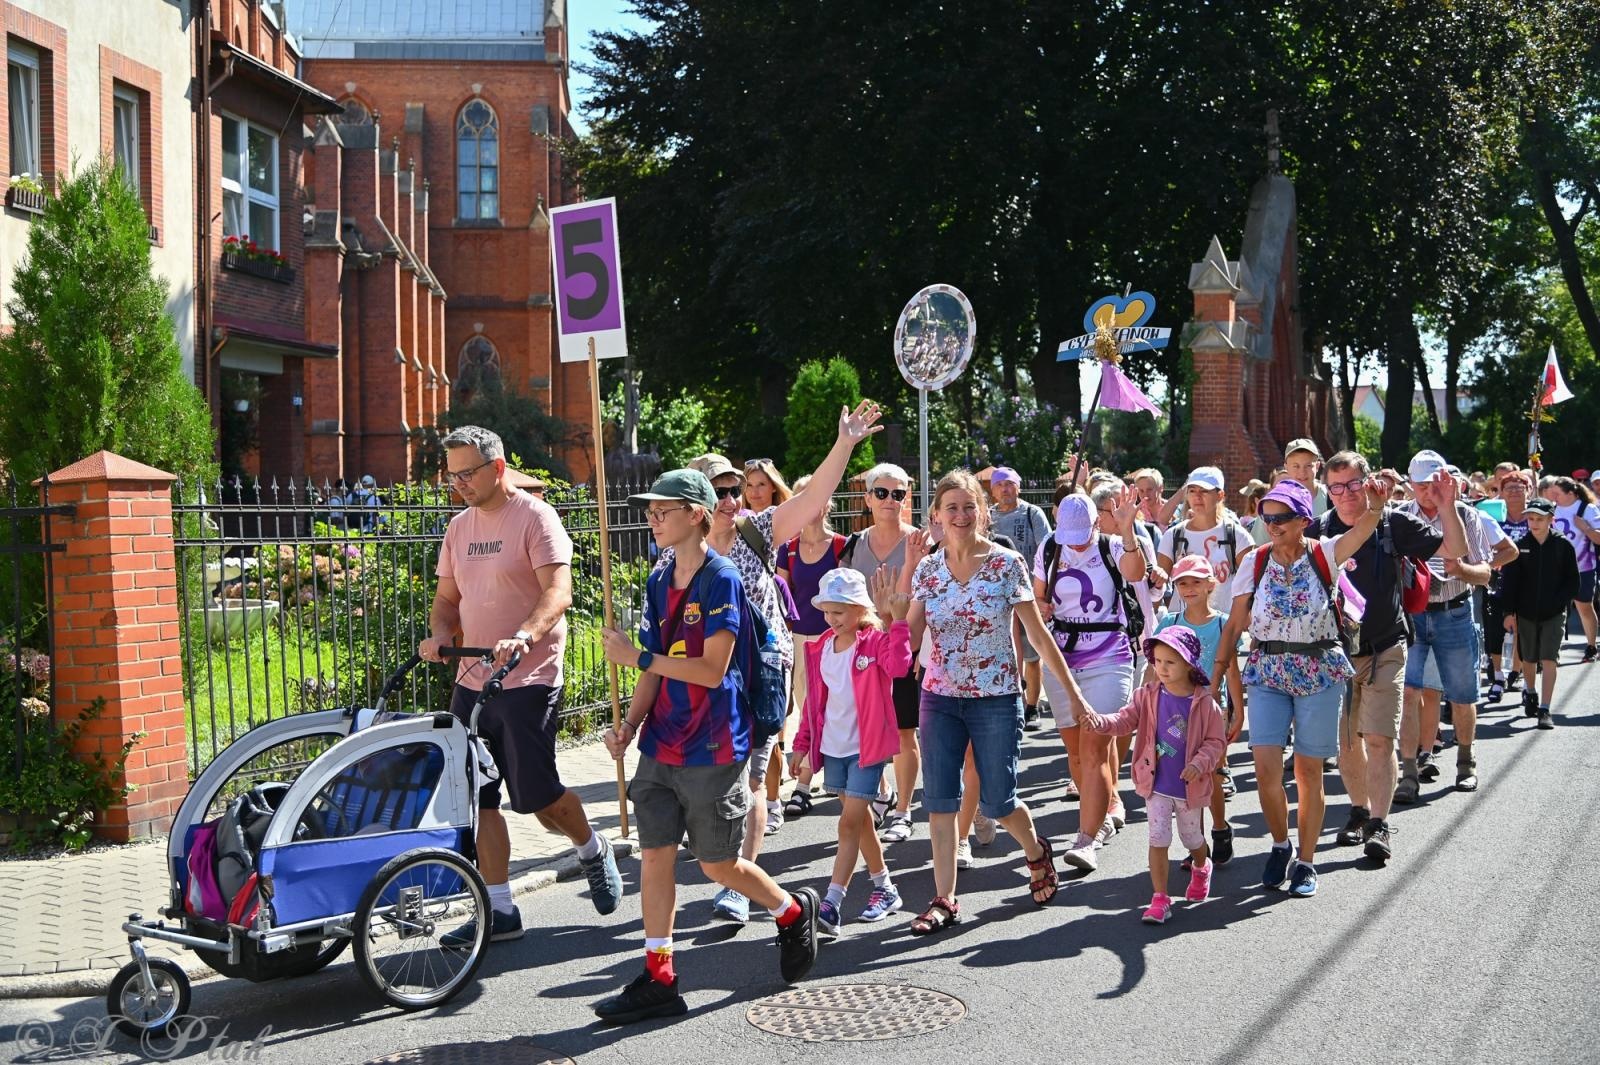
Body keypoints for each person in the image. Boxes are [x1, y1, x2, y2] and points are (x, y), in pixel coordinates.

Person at [595, 469, 821, 1024]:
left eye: (663, 509)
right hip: (661, 743)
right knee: (655, 858)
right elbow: (653, 663)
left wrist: (638, 659)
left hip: (715, 743)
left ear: (696, 513)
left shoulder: (722, 579)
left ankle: (791, 912)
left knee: (719, 864)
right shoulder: (658, 578)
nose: (653, 518)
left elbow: (711, 669)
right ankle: (660, 976)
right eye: (650, 510)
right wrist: (629, 724)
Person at [662, 405, 882, 924]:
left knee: (754, 780)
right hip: (699, 680)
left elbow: (812, 499)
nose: (731, 500)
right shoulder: (671, 555)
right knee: (712, 778)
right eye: (718, 491)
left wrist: (845, 444)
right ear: (692, 501)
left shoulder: (757, 532)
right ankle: (726, 866)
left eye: (735, 490)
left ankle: (741, 882)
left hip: (757, 672)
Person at [419, 425, 622, 944]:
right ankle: (500, 910)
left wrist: (524, 634)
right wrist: (440, 635)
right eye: (453, 475)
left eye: (468, 472)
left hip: (528, 676)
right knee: (479, 797)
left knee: (537, 799)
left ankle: (590, 848)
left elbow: (559, 591)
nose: (460, 483)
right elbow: (446, 601)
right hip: (472, 678)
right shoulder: (459, 528)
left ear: (499, 467)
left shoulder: (535, 518)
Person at [904, 470, 1088, 933]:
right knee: (941, 802)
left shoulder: (1006, 565)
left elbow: (1039, 638)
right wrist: (889, 614)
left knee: (998, 800)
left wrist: (1073, 695)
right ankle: (944, 898)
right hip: (939, 698)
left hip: (996, 698)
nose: (961, 516)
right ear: (937, 517)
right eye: (952, 508)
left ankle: (1035, 850)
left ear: (982, 512)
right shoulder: (927, 569)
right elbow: (910, 635)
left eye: (969, 506)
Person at [1214, 477, 1386, 898]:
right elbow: (1236, 623)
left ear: (1303, 520)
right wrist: (1214, 678)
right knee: (1265, 769)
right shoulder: (1253, 562)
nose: (1271, 524)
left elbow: (1361, 530)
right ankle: (1280, 843)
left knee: (1309, 773)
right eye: (1266, 516)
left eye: (1281, 517)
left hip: (1319, 669)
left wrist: (1376, 508)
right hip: (1268, 669)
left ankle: (1306, 861)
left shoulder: (1324, 553)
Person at [1310, 451, 1463, 863]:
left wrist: (1446, 505)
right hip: (1334, 654)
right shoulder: (1318, 530)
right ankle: (1358, 810)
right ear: (1327, 490)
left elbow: (1454, 549)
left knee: (1379, 739)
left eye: (1354, 484)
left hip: (1386, 648)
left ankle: (1379, 823)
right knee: (1346, 746)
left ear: (1370, 482)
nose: (1346, 495)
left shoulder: (1393, 522)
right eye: (1336, 487)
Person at [790, 567, 911, 935]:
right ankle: (885, 888)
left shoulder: (873, 641)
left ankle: (831, 904)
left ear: (860, 609)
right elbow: (815, 702)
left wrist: (898, 622)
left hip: (867, 749)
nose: (831, 619)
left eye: (839, 611)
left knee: (847, 824)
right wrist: (802, 744)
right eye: (827, 611)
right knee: (859, 826)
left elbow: (900, 666)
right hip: (835, 749)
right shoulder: (822, 646)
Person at [1035, 491, 1147, 872]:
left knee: (1095, 745)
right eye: (1070, 535)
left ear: (1097, 524)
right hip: (1060, 659)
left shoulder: (1113, 545)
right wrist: (1042, 605)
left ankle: (1087, 839)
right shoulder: (1049, 548)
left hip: (1108, 655)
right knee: (1077, 753)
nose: (1076, 542)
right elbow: (1035, 600)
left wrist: (1129, 530)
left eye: (1082, 534)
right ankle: (1109, 802)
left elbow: (1136, 574)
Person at [1083, 627, 1226, 923]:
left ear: (1188, 663)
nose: (1161, 668)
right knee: (1158, 838)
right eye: (1158, 661)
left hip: (1189, 786)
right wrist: (1101, 722)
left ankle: (1202, 866)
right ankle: (1160, 898)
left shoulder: (1205, 703)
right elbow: (1125, 720)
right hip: (1156, 783)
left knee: (1191, 837)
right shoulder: (1147, 695)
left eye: (1170, 662)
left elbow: (1216, 742)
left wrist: (1200, 763)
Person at [1396, 450, 1517, 801]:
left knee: (1463, 696)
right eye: (1420, 486)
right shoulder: (1401, 516)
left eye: (1434, 485)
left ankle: (1466, 762)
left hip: (1455, 611)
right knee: (1409, 692)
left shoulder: (1465, 514)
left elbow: (1485, 572)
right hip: (1414, 615)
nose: (1428, 493)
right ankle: (1408, 773)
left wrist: (1461, 570)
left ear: (1445, 482)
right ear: (1411, 485)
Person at [843, 462, 923, 845]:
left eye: (899, 493)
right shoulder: (852, 545)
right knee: (869, 730)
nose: (890, 500)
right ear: (868, 498)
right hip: (864, 654)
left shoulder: (921, 544)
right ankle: (885, 791)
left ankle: (904, 810)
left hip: (906, 647)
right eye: (882, 493)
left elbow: (929, 601)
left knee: (905, 732)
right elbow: (845, 603)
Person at [1154, 556, 1242, 864]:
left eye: (1195, 582)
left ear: (1210, 585)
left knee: (1213, 772)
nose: (1188, 588)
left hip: (1211, 711)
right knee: (1187, 775)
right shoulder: (1170, 623)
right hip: (1177, 712)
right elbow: (1158, 669)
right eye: (1182, 583)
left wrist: (1238, 711)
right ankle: (1198, 844)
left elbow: (1231, 669)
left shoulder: (1222, 623)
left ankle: (1219, 828)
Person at [775, 475, 852, 821]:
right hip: (797, 640)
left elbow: (850, 599)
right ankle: (805, 783)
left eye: (814, 497)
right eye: (801, 498)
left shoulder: (841, 546)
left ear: (826, 504)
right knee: (806, 711)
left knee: (827, 709)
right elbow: (780, 596)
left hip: (832, 642)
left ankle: (807, 785)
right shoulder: (787, 549)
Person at [1501, 498, 1578, 730]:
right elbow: (1510, 582)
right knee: (1529, 658)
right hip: (1525, 612)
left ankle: (1545, 708)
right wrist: (1508, 612)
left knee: (1549, 657)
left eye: (1540, 519)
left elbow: (1572, 581)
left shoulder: (1563, 545)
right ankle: (1531, 692)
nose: (1534, 523)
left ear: (1551, 520)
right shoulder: (1520, 545)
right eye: (1531, 518)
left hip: (1554, 613)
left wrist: (1559, 603)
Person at [988, 466, 1052, 728]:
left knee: (1032, 652)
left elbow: (1047, 550)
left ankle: (1032, 706)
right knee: (1004, 651)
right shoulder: (988, 517)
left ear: (1019, 487)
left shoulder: (1031, 513)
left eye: (1010, 484)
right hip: (995, 595)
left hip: (1026, 592)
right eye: (1000, 484)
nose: (1005, 489)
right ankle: (1014, 700)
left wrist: (1042, 591)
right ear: (992, 490)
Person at [1157, 466, 1253, 612]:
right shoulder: (1173, 536)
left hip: (1223, 626)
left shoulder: (1237, 536)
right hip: (1181, 627)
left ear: (1220, 495)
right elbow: (1159, 586)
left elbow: (1250, 585)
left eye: (1204, 491)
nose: (1197, 497)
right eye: (1192, 490)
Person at [1484, 471, 1533, 704]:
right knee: (1495, 632)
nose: (1514, 491)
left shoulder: (1536, 517)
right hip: (1497, 583)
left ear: (1529, 490)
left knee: (1524, 632)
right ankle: (1498, 676)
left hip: (1527, 585)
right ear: (1500, 492)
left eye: (1519, 487)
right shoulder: (1492, 518)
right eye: (1509, 487)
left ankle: (1517, 671)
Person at [1545, 475, 1600, 662]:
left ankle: (1592, 645)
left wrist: (1585, 528)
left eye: (1557, 493)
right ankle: (1553, 650)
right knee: (1555, 608)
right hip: (1556, 568)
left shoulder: (1587, 509)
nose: (1553, 497)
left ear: (1571, 493)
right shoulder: (1551, 509)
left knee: (1584, 607)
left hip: (1583, 567)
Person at [1252, 440, 1329, 545]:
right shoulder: (1272, 502)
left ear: (1317, 466)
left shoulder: (1332, 497)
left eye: (1308, 466)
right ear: (1286, 467)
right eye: (1296, 466)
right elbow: (1258, 549)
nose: (1302, 472)